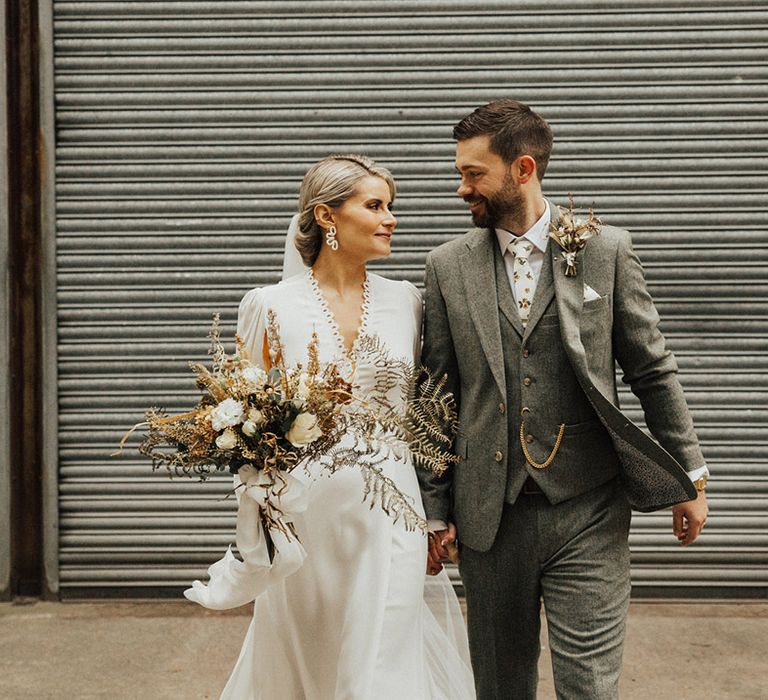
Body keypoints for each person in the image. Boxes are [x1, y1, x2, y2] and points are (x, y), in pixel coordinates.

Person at [418, 100, 709, 700]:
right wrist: (435, 510)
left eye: (474, 174)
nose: (460, 187)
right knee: (501, 687)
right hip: (489, 518)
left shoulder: (606, 249)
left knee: (590, 689)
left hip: (589, 508)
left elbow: (652, 368)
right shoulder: (447, 267)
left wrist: (692, 477)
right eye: (460, 172)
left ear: (523, 170)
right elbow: (437, 395)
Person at [187, 154, 475, 699]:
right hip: (303, 521)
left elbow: (435, 410)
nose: (391, 218)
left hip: (391, 515)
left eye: (390, 206)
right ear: (326, 216)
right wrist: (260, 519)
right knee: (306, 663)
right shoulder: (268, 306)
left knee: (382, 667)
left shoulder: (409, 302)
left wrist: (438, 514)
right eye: (374, 206)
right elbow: (244, 420)